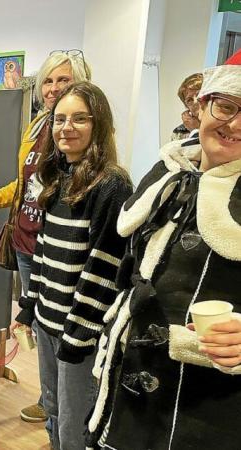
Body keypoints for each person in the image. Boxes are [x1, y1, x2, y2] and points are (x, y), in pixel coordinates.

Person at [86, 50, 241, 450]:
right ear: (203, 104)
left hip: (208, 412)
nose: (236, 124)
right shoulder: (168, 176)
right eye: (227, 106)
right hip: (131, 395)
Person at [13, 82, 133, 450]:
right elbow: (43, 252)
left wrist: (77, 337)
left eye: (79, 119)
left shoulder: (112, 186)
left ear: (99, 124)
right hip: (48, 324)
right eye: (60, 119)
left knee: (75, 426)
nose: (67, 127)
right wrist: (30, 306)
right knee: (52, 410)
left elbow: (104, 270)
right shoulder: (57, 176)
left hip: (78, 334)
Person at [0, 50, 92, 424]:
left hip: (59, 247)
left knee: (62, 331)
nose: (53, 88)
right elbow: (27, 182)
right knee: (35, 323)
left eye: (62, 80)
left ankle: (68, 413)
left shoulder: (78, 130)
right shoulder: (36, 126)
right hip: (25, 239)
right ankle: (49, 401)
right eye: (48, 81)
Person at [171, 73, 203, 141]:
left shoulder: (222, 124)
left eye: (199, 95)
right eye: (189, 100)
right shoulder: (179, 133)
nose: (195, 101)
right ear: (187, 107)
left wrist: (196, 130)